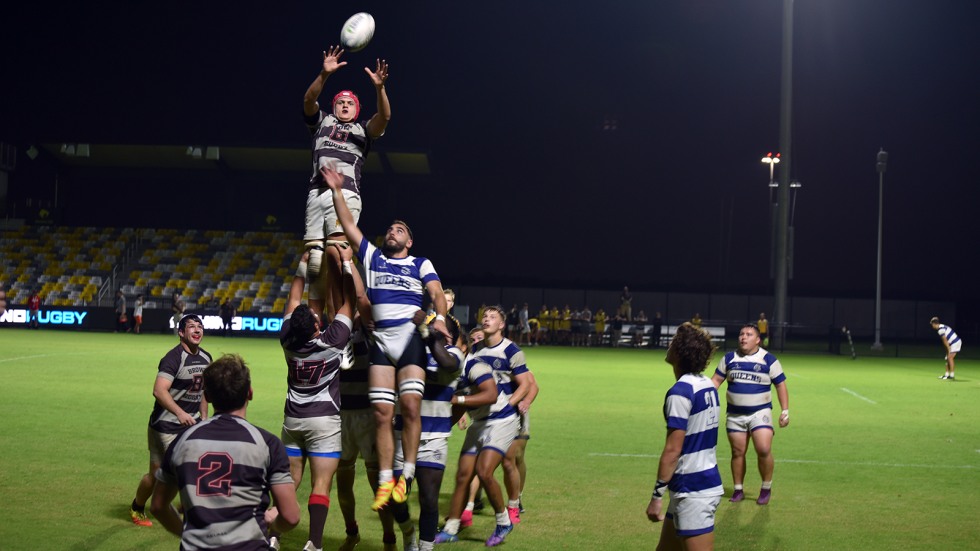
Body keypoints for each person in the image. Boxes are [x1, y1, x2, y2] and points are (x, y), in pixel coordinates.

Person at [321, 164, 452, 511]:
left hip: (409, 339)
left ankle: (406, 474)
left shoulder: (420, 263)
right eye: (390, 229)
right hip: (381, 341)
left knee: (409, 407)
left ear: (409, 242)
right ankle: (384, 481)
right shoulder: (374, 257)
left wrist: (438, 319)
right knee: (381, 413)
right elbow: (349, 225)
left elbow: (437, 293)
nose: (392, 232)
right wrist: (337, 190)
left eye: (400, 230)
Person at [150, 354, 300, 548]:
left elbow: (158, 506)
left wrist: (186, 533)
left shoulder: (183, 440)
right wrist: (272, 523)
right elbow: (291, 516)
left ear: (207, 396)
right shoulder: (267, 443)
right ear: (250, 393)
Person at [275, 245, 357, 551]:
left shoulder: (287, 340)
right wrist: (346, 264)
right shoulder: (333, 340)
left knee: (289, 481)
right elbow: (350, 301)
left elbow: (293, 299)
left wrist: (302, 264)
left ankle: (273, 535)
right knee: (321, 484)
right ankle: (314, 543)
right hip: (323, 422)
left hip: (293, 420)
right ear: (317, 326)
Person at [436, 306, 538, 548]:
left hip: (502, 418)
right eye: (484, 316)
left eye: (493, 317)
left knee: (489, 469)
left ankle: (505, 518)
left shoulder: (508, 351)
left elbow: (527, 383)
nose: (486, 319)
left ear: (502, 325)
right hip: (480, 419)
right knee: (463, 475)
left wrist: (509, 405)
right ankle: (451, 528)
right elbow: (465, 393)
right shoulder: (473, 354)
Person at [303, 45, 390, 322]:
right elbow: (308, 100)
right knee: (315, 265)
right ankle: (316, 328)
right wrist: (324, 74)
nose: (344, 105)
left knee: (338, 256)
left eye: (349, 103)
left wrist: (380, 89)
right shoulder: (322, 123)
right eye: (340, 102)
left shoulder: (362, 130)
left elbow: (384, 117)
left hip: (345, 194)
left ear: (356, 109)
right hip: (316, 193)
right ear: (334, 107)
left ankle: (345, 322)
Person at [646, 322, 724, 551]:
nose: (669, 345)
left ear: (681, 352)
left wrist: (657, 496)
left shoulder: (681, 392)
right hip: (695, 483)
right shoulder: (706, 385)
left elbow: (673, 450)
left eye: (673, 342)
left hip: (693, 489)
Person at [129, 314, 212, 527]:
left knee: (157, 474)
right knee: (185, 471)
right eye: (191, 327)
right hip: (166, 426)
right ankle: (193, 516)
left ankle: (138, 506)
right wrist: (180, 413)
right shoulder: (173, 358)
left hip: (189, 426)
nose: (197, 330)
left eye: (200, 326)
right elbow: (159, 391)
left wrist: (204, 417)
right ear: (181, 333)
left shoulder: (206, 357)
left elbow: (205, 391)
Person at [391, 316, 466, 551]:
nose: (430, 326)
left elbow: (448, 364)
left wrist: (429, 336)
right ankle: (408, 531)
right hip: (402, 436)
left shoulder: (454, 354)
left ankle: (425, 547)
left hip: (433, 439)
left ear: (447, 334)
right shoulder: (410, 349)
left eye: (435, 324)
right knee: (394, 497)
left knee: (429, 499)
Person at [711, 324, 790, 505]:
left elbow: (780, 385)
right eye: (741, 334)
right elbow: (716, 381)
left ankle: (766, 487)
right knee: (737, 452)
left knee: (763, 449)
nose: (743, 337)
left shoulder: (768, 360)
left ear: (757, 340)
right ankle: (738, 490)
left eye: (748, 334)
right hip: (735, 414)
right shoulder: (729, 358)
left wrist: (785, 410)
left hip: (760, 412)